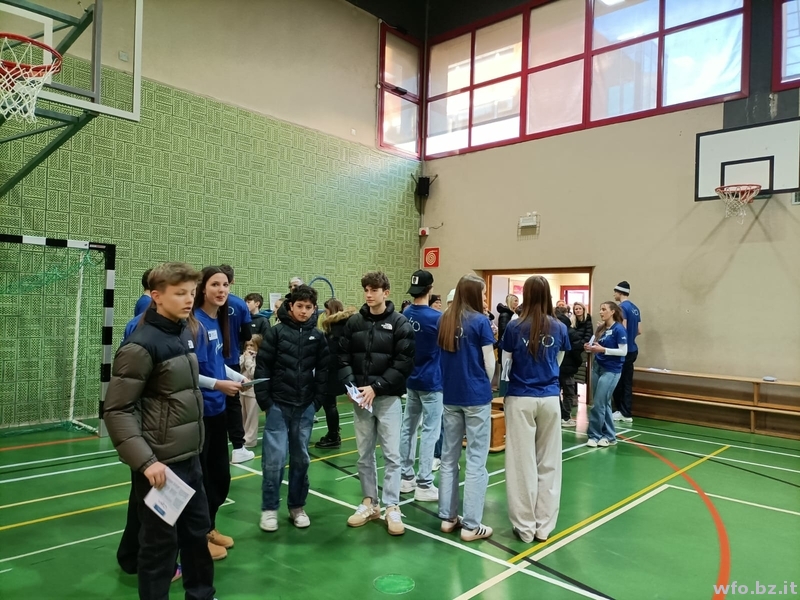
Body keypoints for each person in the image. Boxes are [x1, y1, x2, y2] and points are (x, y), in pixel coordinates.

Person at [104, 262, 215, 600]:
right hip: (161, 467)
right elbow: (117, 410)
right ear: (156, 296)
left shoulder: (183, 331)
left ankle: (202, 594)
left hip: (190, 458)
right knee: (159, 546)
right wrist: (147, 462)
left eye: (192, 293)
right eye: (180, 293)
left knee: (196, 534)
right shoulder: (140, 346)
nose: (189, 299)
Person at [339, 271, 415, 536]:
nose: (369, 294)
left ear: (386, 292)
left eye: (374, 290)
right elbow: (343, 356)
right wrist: (351, 386)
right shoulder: (354, 323)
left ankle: (392, 506)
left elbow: (404, 363)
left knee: (392, 455)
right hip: (361, 400)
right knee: (364, 454)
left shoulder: (400, 323)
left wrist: (377, 387)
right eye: (366, 290)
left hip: (388, 399)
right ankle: (370, 502)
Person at [501, 275, 570, 543]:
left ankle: (525, 527)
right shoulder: (560, 327)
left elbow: (506, 365)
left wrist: (505, 394)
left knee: (521, 463)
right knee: (549, 462)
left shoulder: (514, 326)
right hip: (550, 399)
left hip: (520, 398)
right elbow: (559, 362)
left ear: (526, 295)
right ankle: (544, 526)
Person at [255, 285, 329, 531]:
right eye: (300, 306)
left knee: (301, 460)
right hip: (278, 406)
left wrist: (316, 401)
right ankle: (269, 508)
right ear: (290, 306)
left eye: (309, 307)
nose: (304, 311)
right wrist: (266, 401)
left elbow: (324, 371)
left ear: (314, 309)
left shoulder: (318, 337)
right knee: (274, 460)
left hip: (305, 407)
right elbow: (263, 367)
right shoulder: (275, 333)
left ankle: (297, 506)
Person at [194, 266, 246, 560]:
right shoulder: (194, 323)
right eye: (215, 284)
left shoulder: (217, 321)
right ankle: (198, 536)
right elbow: (190, 371)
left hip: (218, 411)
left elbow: (216, 364)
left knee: (219, 477)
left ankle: (210, 526)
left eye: (225, 285)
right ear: (203, 288)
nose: (222, 290)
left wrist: (237, 378)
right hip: (199, 412)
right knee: (201, 478)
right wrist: (218, 385)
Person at [437, 274, 495, 542]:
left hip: (451, 396)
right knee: (476, 461)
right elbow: (489, 362)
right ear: (473, 294)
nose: (485, 298)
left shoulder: (444, 319)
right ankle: (471, 525)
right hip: (476, 397)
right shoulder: (480, 321)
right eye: (483, 293)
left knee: (448, 458)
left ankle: (448, 517)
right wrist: (485, 384)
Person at [399, 270, 443, 502]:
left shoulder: (406, 314)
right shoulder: (437, 318)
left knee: (408, 427)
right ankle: (424, 483)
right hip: (432, 381)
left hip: (411, 379)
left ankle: (405, 477)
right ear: (430, 289)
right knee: (430, 431)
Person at [219, 265, 254, 465]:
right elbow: (247, 334)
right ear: (233, 280)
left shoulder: (203, 305)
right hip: (230, 359)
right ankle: (238, 448)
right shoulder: (240, 304)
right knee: (233, 405)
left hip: (212, 362)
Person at [584, 302, 627, 448]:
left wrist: (603, 350)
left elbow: (623, 351)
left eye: (604, 309)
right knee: (604, 403)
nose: (601, 312)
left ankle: (594, 435)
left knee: (598, 404)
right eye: (600, 309)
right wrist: (589, 347)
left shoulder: (619, 329)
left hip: (611, 370)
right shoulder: (601, 328)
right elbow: (594, 345)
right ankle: (609, 435)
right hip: (597, 367)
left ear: (612, 312)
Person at [315, 298, 355, 449]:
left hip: (334, 371)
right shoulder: (346, 326)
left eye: (326, 311)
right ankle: (334, 433)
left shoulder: (335, 330)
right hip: (344, 371)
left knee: (329, 404)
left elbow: (332, 353)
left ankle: (333, 435)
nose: (324, 314)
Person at [612, 281, 642, 424]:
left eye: (615, 292)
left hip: (623, 351)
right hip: (633, 349)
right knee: (627, 382)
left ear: (620, 292)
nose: (614, 294)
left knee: (619, 382)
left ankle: (622, 411)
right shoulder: (635, 308)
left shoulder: (621, 308)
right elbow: (639, 330)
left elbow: (622, 329)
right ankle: (626, 411)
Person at [555, 306, 582, 427]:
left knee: (555, 392)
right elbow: (576, 350)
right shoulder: (571, 332)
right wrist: (578, 363)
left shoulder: (553, 329)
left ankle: (559, 415)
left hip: (555, 367)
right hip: (569, 368)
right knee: (569, 393)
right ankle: (565, 417)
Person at [239, 334, 263, 449]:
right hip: (242, 389)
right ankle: (242, 436)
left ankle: (250, 440)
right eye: (247, 345)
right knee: (242, 415)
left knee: (251, 417)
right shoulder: (244, 356)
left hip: (253, 391)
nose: (249, 348)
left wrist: (248, 360)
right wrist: (244, 359)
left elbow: (254, 373)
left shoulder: (259, 358)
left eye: (252, 345)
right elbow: (238, 370)